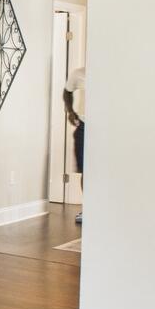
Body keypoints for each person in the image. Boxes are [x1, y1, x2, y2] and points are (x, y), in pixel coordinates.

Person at [63, 66, 85, 225]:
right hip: (85, 126)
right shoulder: (79, 73)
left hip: (107, 127)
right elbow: (67, 92)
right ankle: (88, 208)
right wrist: (70, 111)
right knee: (87, 172)